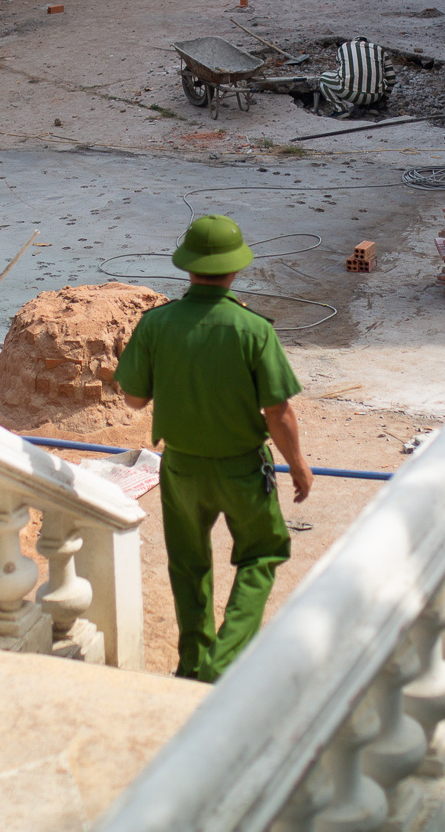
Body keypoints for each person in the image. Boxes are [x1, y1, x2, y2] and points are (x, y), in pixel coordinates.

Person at [117, 216, 311, 682]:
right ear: (235, 268)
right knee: (262, 555)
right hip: (242, 469)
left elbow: (134, 399)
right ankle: (222, 665)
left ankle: (193, 663)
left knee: (188, 566)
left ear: (188, 267)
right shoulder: (252, 328)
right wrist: (298, 465)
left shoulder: (156, 324)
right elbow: (278, 412)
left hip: (180, 469)